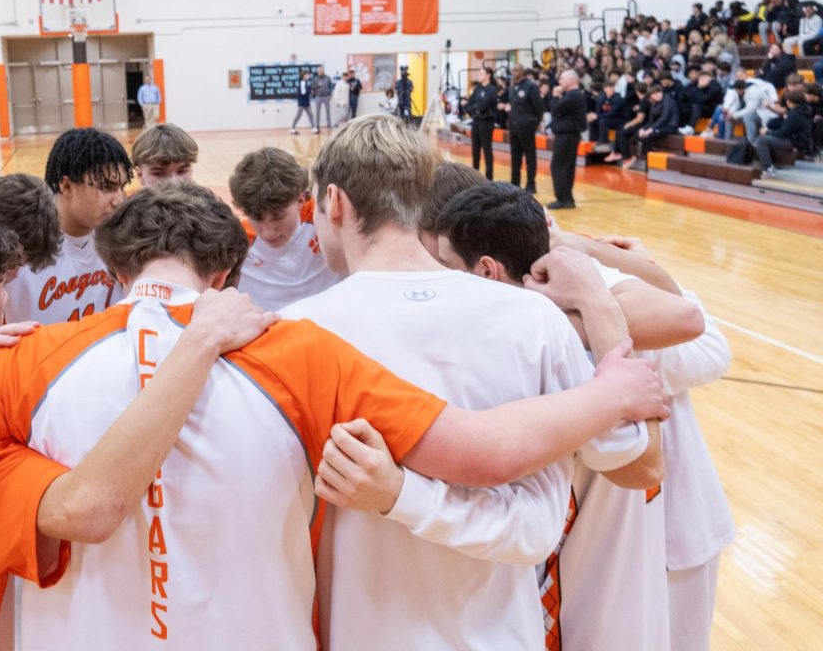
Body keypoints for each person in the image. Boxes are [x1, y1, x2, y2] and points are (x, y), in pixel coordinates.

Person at [0, 182, 666, 650]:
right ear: (228, 276)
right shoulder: (295, 347)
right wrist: (610, 388)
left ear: (116, 270)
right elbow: (480, 453)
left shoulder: (18, 363)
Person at [278, 118, 663, 651]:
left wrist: (402, 494)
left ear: (335, 203)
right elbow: (626, 470)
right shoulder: (532, 318)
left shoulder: (296, 332)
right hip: (504, 632)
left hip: (362, 631)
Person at [433, 184, 682, 651]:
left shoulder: (547, 350)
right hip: (583, 573)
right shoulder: (594, 325)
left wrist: (594, 293)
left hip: (575, 588)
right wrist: (594, 297)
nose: (440, 278)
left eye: (447, 266)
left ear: (486, 270)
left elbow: (646, 468)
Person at [550, 230, 734, 651]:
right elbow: (708, 342)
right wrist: (638, 272)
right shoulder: (620, 330)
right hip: (643, 534)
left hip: (649, 538)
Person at [7, 127, 132, 324]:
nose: (118, 200)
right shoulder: (19, 245)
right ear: (66, 186)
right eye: (106, 187)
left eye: (122, 187)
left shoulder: (122, 240)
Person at [228, 146, 342, 311]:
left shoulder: (329, 217)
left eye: (278, 217)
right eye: (257, 218)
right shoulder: (236, 241)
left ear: (300, 200)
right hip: (271, 329)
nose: (268, 232)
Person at [548, 69, 586, 209]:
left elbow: (556, 109)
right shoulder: (572, 95)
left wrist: (555, 96)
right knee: (567, 167)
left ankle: (563, 198)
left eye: (563, 78)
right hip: (568, 135)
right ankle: (567, 198)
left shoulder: (573, 96)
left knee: (558, 166)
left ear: (571, 80)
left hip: (567, 135)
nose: (560, 81)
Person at [754, 90, 812, 178]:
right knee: (768, 136)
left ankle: (768, 169)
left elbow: (782, 133)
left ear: (790, 102)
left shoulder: (794, 115)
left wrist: (767, 132)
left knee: (762, 140)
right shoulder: (804, 109)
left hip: (796, 143)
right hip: (801, 141)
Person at [506, 67, 544, 193]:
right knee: (515, 155)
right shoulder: (512, 87)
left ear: (522, 72)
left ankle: (531, 184)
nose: (514, 73)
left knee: (529, 156)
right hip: (514, 125)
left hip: (527, 126)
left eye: (516, 70)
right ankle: (514, 183)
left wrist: (535, 122)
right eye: (513, 71)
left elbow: (539, 106)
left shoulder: (531, 86)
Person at [624, 85, 678, 169]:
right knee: (640, 135)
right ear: (651, 96)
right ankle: (648, 159)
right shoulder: (653, 103)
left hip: (670, 126)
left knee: (648, 135)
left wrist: (652, 129)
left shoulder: (668, 101)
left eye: (659, 92)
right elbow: (651, 121)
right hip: (659, 126)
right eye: (655, 94)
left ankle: (651, 162)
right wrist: (643, 129)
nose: (658, 95)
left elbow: (665, 117)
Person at [130, 123, 197, 186]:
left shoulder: (203, 197)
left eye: (181, 171)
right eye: (159, 174)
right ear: (140, 175)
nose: (174, 183)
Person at [467, 68, 498, 179]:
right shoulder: (478, 89)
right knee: (475, 149)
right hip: (476, 121)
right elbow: (470, 103)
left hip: (487, 122)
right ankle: (474, 176)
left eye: (481, 73)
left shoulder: (492, 89)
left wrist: (476, 108)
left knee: (487, 150)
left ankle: (489, 178)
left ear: (488, 75)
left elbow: (484, 104)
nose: (479, 75)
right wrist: (474, 109)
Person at [291, 70, 315, 135]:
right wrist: (310, 92)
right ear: (304, 76)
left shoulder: (306, 82)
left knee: (311, 115)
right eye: (307, 75)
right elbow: (303, 92)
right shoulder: (302, 82)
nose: (308, 76)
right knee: (298, 115)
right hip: (302, 102)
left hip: (306, 101)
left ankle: (314, 129)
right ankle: (292, 129)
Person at [312, 66, 334, 130]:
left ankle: (329, 125)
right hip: (318, 97)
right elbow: (312, 87)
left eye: (321, 70)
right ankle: (317, 125)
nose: (320, 71)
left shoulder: (328, 78)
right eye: (319, 70)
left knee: (328, 111)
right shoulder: (315, 78)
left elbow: (331, 86)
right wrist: (317, 85)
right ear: (318, 71)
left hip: (326, 97)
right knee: (317, 112)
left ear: (323, 71)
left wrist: (330, 94)